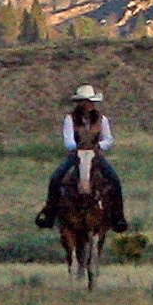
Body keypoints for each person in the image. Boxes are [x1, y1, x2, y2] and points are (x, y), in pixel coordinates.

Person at [35, 85, 129, 232]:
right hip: (76, 156)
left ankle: (118, 216)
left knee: (114, 179)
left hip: (95, 155)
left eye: (91, 101)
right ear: (80, 103)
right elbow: (68, 140)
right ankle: (49, 213)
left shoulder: (101, 119)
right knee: (56, 178)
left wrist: (99, 146)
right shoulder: (70, 119)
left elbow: (108, 139)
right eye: (85, 101)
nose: (89, 104)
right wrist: (79, 148)